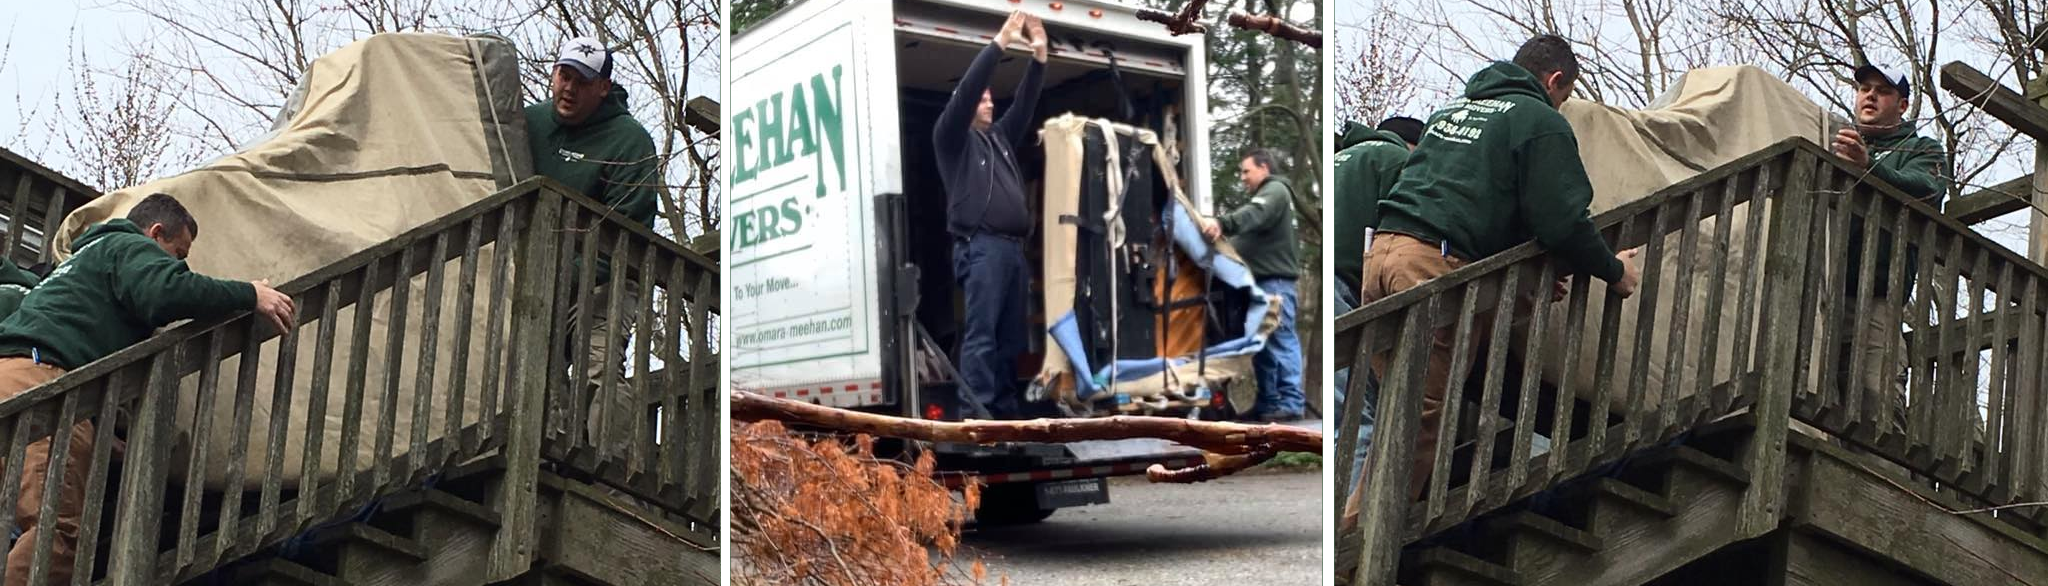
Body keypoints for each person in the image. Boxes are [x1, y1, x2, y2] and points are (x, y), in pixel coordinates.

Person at [1359, 34, 1642, 508]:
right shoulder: (1538, 120)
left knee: (1396, 413)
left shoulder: (1452, 112)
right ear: (1555, 80)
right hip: (1431, 264)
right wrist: (1613, 271)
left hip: (1383, 256)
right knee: (1420, 417)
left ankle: (1357, 541)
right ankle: (1358, 559)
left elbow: (1476, 199)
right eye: (1565, 95)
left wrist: (1536, 275)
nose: (1562, 104)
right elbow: (1563, 220)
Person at [0, 193, 294, 586]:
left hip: (13, 377)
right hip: (48, 386)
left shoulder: (88, 258)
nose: (178, 263)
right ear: (155, 233)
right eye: (176, 252)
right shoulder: (130, 246)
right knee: (55, 529)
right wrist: (250, 294)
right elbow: (165, 291)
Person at [525, 36, 661, 450]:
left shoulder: (629, 142)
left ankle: (612, 474)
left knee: (598, 369)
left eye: (581, 81)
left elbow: (627, 233)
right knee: (528, 367)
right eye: (564, 75)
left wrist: (564, 276)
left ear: (602, 87)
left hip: (607, 281)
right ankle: (545, 452)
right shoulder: (528, 123)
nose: (569, 88)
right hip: (536, 277)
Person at [933, 11, 1048, 419]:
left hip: (1012, 252)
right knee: (981, 335)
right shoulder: (951, 140)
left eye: (990, 97)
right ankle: (977, 412)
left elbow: (1025, 103)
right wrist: (1000, 41)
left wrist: (1039, 58)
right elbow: (967, 90)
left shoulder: (999, 139)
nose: (989, 101)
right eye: (982, 98)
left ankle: (1004, 408)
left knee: (1010, 337)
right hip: (980, 249)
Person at [1828, 63, 1948, 434]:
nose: (1870, 95)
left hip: (1877, 297)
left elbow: (1925, 189)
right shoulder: (1833, 140)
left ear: (1903, 104)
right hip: (1821, 288)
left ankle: (1883, 480)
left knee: (1874, 395)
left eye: (1882, 90)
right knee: (1812, 385)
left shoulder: (1921, 149)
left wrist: (1869, 167)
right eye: (1865, 88)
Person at [1330, 116, 1420, 488]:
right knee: (1359, 416)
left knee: (1338, 410)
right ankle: (1344, 530)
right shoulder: (1396, 160)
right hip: (1348, 288)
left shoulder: (1343, 156)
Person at [1199, 148, 1304, 422]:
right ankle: (1269, 403)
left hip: (1276, 284)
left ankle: (1290, 401)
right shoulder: (1270, 195)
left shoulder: (1274, 192)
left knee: (1280, 340)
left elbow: (1253, 215)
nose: (1242, 177)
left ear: (1264, 168)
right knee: (1263, 345)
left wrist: (1222, 223)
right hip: (1261, 284)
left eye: (1246, 171)